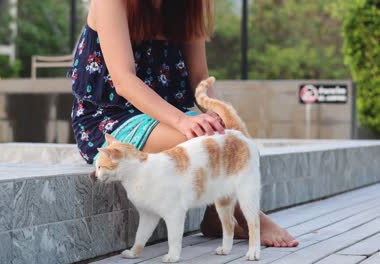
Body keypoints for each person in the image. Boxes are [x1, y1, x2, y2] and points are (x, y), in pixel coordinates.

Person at [68, 0, 298, 247]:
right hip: (110, 119)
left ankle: (216, 217)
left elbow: (199, 77)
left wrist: (220, 116)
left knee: (231, 137)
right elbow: (124, 80)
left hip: (165, 116)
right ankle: (248, 217)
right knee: (202, 139)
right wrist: (182, 122)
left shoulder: (187, 5)